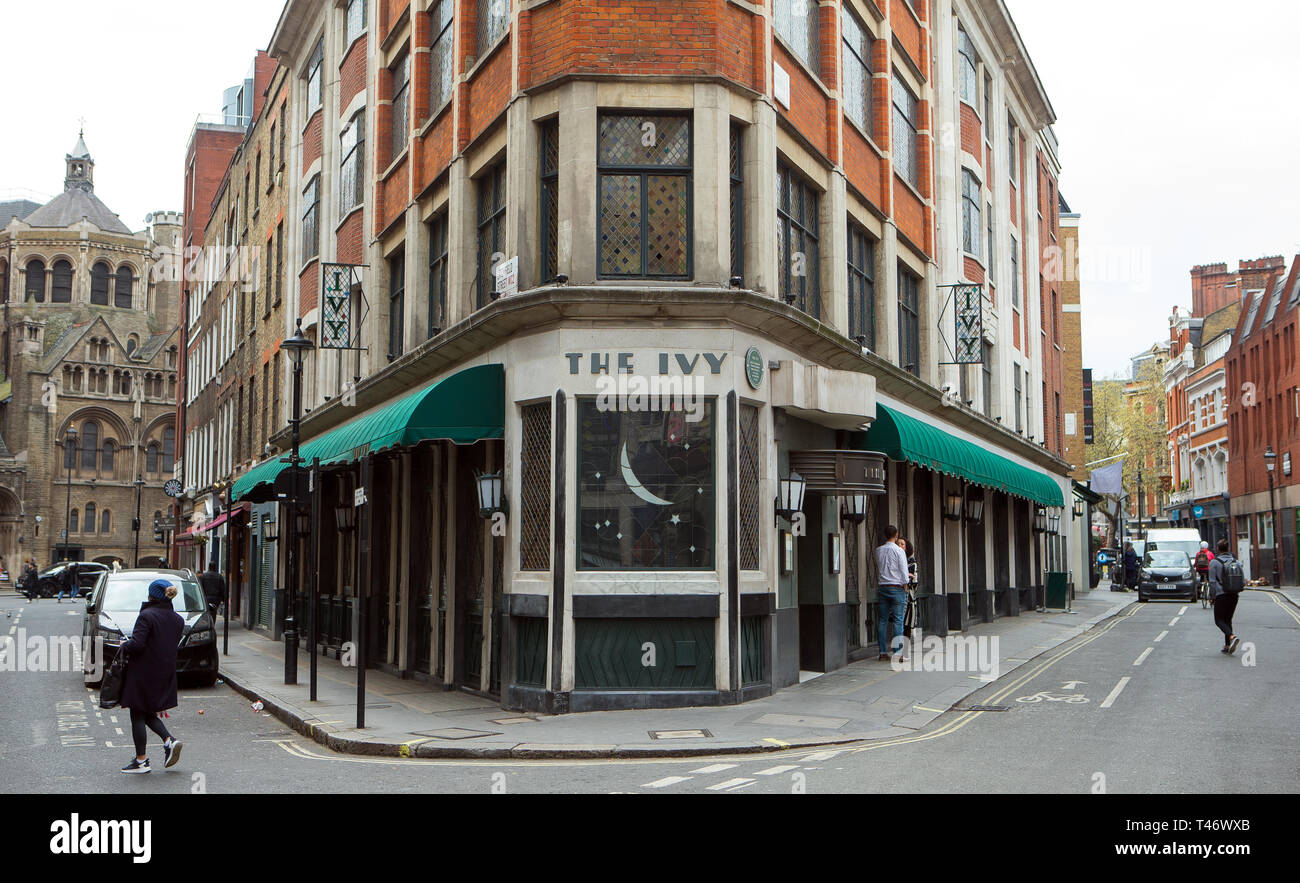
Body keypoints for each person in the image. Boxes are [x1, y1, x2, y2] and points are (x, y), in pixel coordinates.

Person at [119, 579, 185, 773]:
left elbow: (138, 644)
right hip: (165, 672)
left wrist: (125, 645)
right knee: (146, 712)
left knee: (137, 712)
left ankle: (141, 760)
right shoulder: (177, 620)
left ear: (151, 595)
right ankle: (168, 741)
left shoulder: (147, 616)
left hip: (143, 672)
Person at [875, 525, 910, 661]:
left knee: (882, 621)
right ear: (896, 535)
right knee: (898, 621)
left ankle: (882, 652)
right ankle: (898, 653)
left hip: (883, 587)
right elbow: (903, 570)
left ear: (885, 536)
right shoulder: (899, 551)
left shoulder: (878, 550)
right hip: (897, 587)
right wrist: (905, 585)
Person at [1207, 539, 1242, 655]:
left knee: (1219, 620)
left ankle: (1232, 637)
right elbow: (1242, 580)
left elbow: (1212, 582)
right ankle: (1227, 646)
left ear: (1218, 549)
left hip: (1221, 595)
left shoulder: (1214, 563)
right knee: (1227, 620)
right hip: (1234, 595)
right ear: (1228, 549)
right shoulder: (1236, 561)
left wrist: (1211, 597)